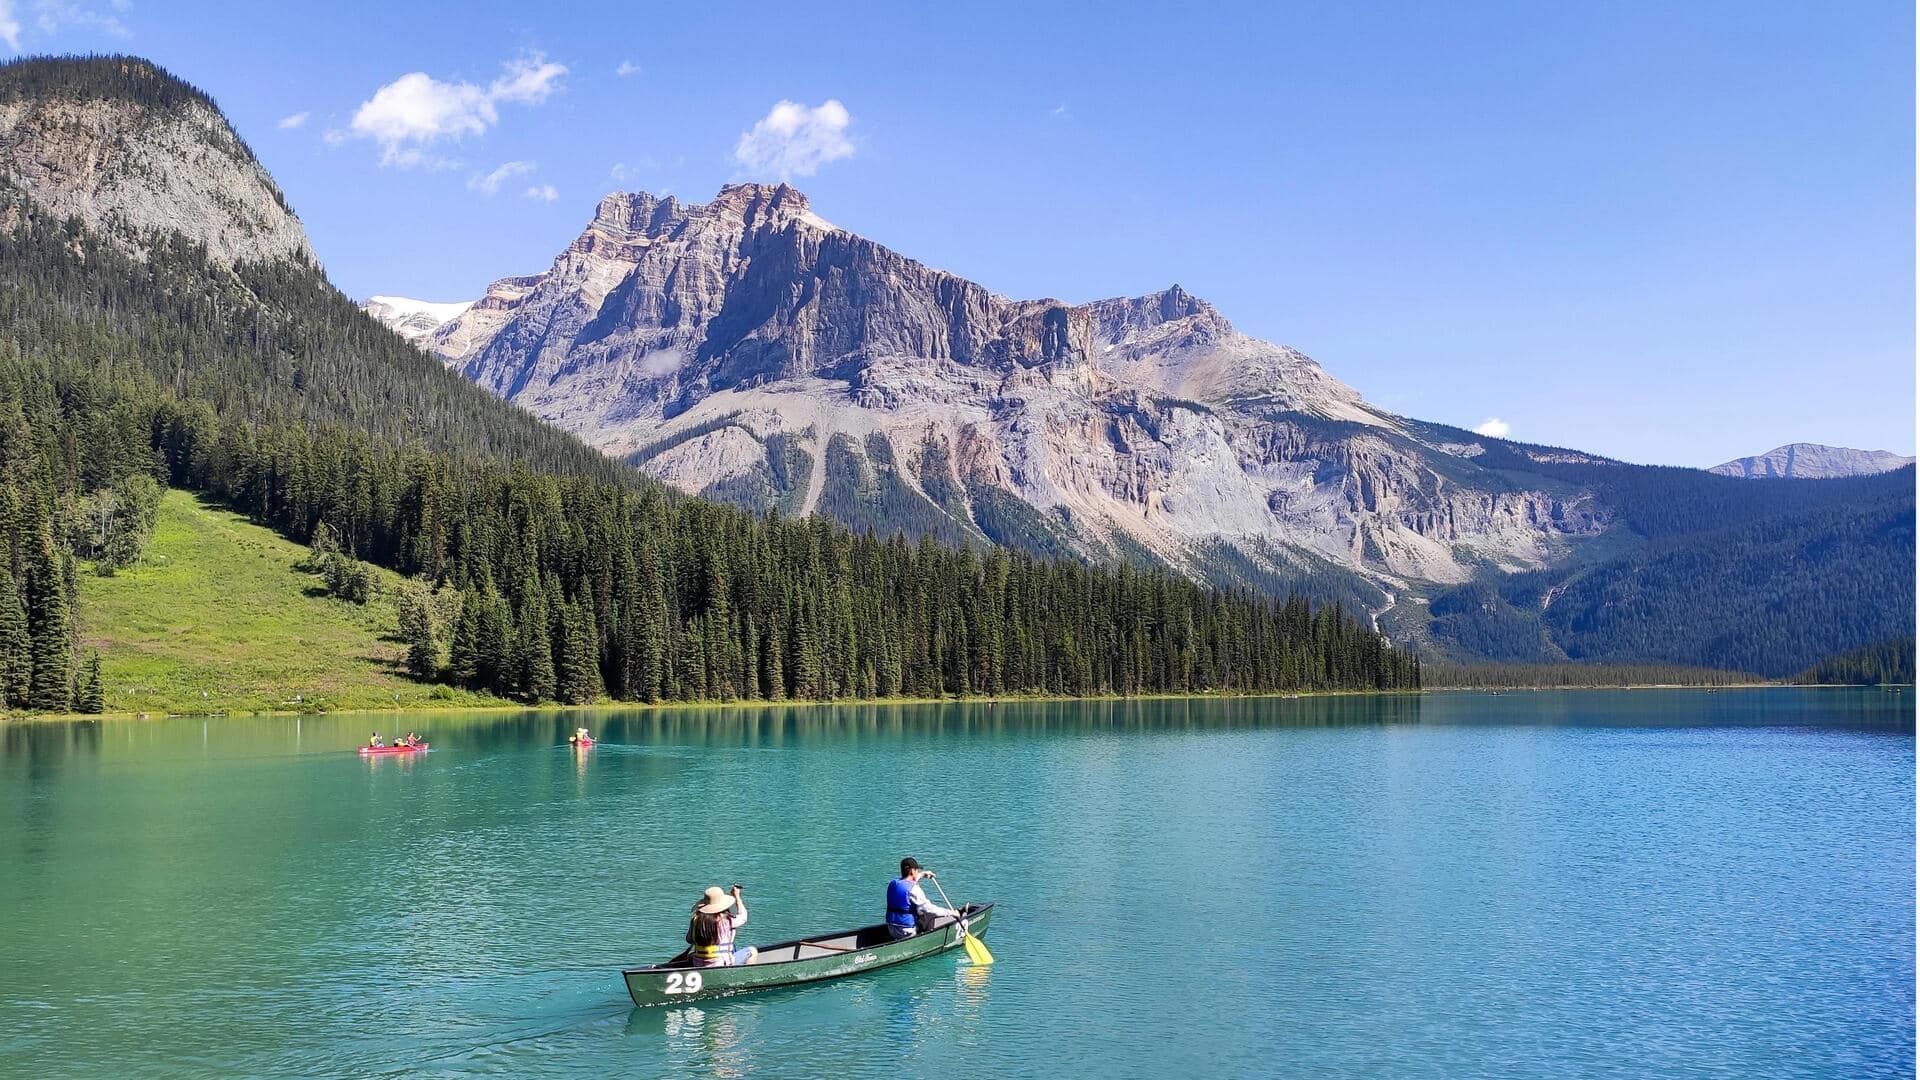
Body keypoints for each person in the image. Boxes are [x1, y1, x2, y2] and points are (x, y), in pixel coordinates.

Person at [885, 857, 957, 939]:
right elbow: (930, 909)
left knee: (919, 910)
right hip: (906, 931)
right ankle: (930, 937)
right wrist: (951, 913)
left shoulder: (893, 884)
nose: (917, 872)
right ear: (912, 871)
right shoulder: (915, 889)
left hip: (891, 928)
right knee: (928, 914)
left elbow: (907, 884)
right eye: (917, 870)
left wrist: (922, 874)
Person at [686, 885, 756, 967]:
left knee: (732, 947)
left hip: (697, 962)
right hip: (721, 963)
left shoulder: (696, 920)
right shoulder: (727, 921)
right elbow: (743, 917)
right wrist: (737, 896)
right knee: (752, 951)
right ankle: (743, 975)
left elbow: (689, 940)